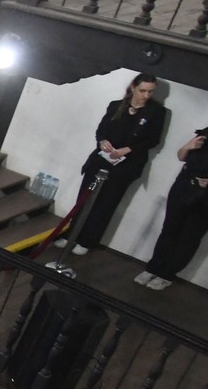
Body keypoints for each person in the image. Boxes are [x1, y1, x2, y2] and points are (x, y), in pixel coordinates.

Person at [62, 73, 169, 255]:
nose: (146, 95)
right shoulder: (116, 106)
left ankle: (87, 241)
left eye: (150, 92)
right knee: (84, 197)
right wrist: (103, 142)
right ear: (134, 87)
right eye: (143, 90)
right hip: (103, 157)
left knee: (106, 203)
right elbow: (101, 130)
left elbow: (153, 140)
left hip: (126, 164)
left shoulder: (156, 112)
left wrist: (127, 149)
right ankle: (70, 235)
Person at [138, 126, 208, 290]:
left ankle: (167, 275)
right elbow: (182, 157)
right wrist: (188, 147)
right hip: (185, 185)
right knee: (169, 230)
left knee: (189, 237)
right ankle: (153, 268)